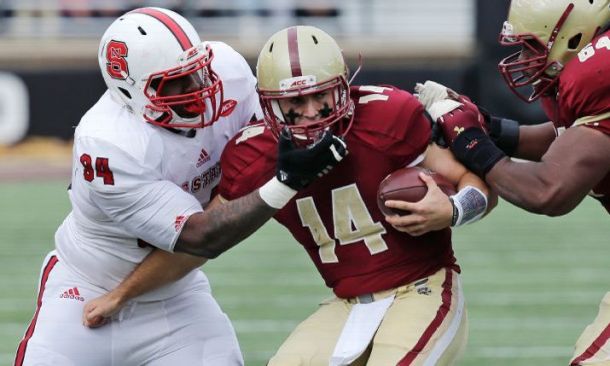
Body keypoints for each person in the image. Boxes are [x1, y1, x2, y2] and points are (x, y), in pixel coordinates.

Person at [81, 25, 496, 365]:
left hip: (423, 287)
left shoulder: (389, 115)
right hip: (347, 302)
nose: (313, 111)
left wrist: (456, 210)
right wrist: (123, 294)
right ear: (268, 105)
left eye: (322, 94)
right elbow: (202, 241)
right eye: (295, 101)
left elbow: (477, 183)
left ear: (345, 86)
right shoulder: (252, 153)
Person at [14, 9, 347, 366]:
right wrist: (287, 183)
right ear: (132, 90)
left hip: (175, 294)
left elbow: (292, 132)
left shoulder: (227, 71)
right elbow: (202, 237)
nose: (199, 89)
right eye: (176, 82)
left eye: (197, 71)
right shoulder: (110, 143)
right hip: (85, 288)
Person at [417, 1, 610, 365]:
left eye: (531, 47)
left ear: (574, 39)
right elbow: (566, 140)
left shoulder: (598, 77)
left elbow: (548, 190)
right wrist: (487, 127)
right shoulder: (593, 74)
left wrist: (470, 141)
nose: (522, 57)